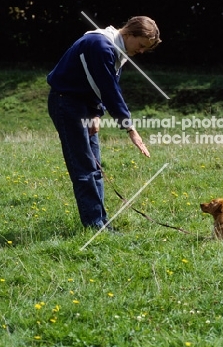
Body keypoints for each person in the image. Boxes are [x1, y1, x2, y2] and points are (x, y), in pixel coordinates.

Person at [47, 16, 161, 231]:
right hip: (67, 104)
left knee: (96, 166)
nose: (142, 52)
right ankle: (94, 225)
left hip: (82, 105)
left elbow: (96, 83)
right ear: (128, 33)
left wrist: (96, 114)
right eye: (141, 45)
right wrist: (130, 129)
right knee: (84, 168)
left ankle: (101, 221)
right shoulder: (100, 45)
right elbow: (108, 89)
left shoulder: (116, 48)